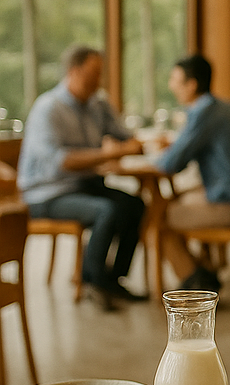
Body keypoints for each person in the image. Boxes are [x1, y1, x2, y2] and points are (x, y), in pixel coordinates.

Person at [17, 45, 146, 310]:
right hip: (46, 193)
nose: (98, 82)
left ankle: (112, 278)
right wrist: (110, 153)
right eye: (92, 75)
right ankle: (92, 281)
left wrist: (131, 144)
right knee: (106, 211)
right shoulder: (48, 108)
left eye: (100, 75)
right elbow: (62, 161)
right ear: (73, 72)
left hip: (84, 185)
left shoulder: (98, 104)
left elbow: (126, 137)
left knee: (135, 205)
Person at [155, 54, 230, 291]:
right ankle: (203, 270)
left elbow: (171, 163)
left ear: (191, 85)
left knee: (154, 217)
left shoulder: (203, 113)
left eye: (175, 80)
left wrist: (149, 153)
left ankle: (194, 278)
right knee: (175, 201)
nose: (171, 86)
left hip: (227, 204)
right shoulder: (227, 107)